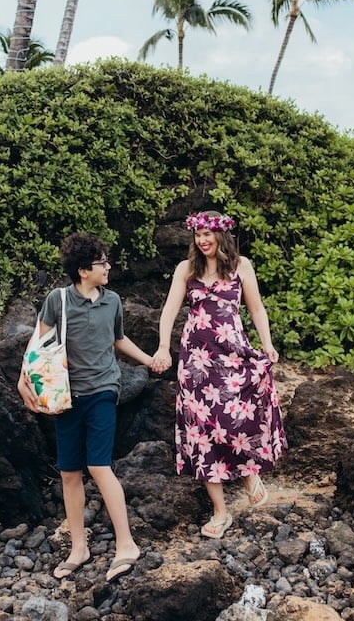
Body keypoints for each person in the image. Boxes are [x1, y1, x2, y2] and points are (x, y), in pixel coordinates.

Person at [17, 233, 168, 581]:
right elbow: (37, 343)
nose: (108, 267)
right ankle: (78, 548)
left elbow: (118, 339)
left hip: (103, 391)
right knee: (69, 472)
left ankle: (127, 543)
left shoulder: (112, 300)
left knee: (99, 466)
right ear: (84, 270)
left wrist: (148, 360)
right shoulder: (57, 300)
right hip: (67, 396)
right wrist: (22, 378)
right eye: (103, 262)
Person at [150, 210, 287, 538]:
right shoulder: (186, 269)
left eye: (208, 234)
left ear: (222, 235)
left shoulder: (242, 266)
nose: (203, 240)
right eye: (198, 234)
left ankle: (250, 472)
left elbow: (256, 308)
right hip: (196, 361)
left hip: (233, 355)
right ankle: (220, 512)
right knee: (202, 431)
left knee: (236, 418)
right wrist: (162, 347)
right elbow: (170, 308)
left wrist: (266, 343)